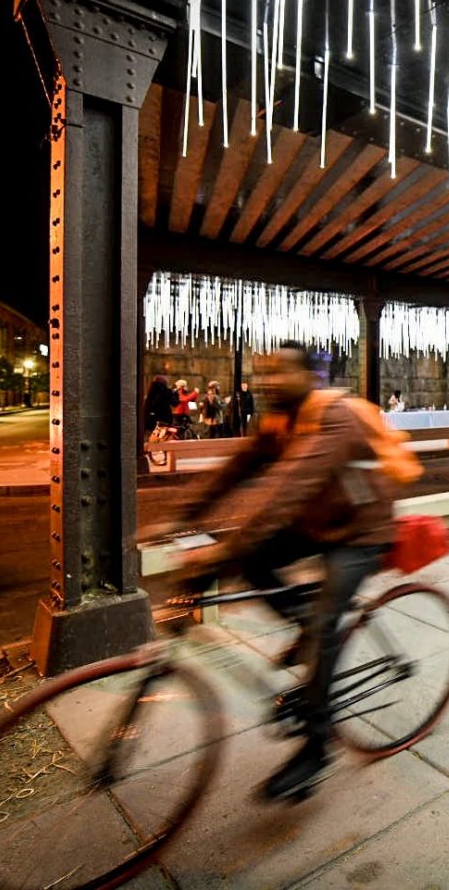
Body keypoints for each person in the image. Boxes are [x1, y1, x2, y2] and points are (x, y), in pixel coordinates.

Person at [155, 342, 398, 801]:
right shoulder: (278, 420)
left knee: (327, 622)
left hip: (362, 533)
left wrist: (219, 552)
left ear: (309, 376)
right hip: (319, 524)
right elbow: (234, 470)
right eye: (263, 372)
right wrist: (180, 517)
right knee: (254, 561)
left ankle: (316, 746)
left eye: (280, 372)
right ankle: (303, 625)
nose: (268, 381)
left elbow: (284, 494)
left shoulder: (334, 418)